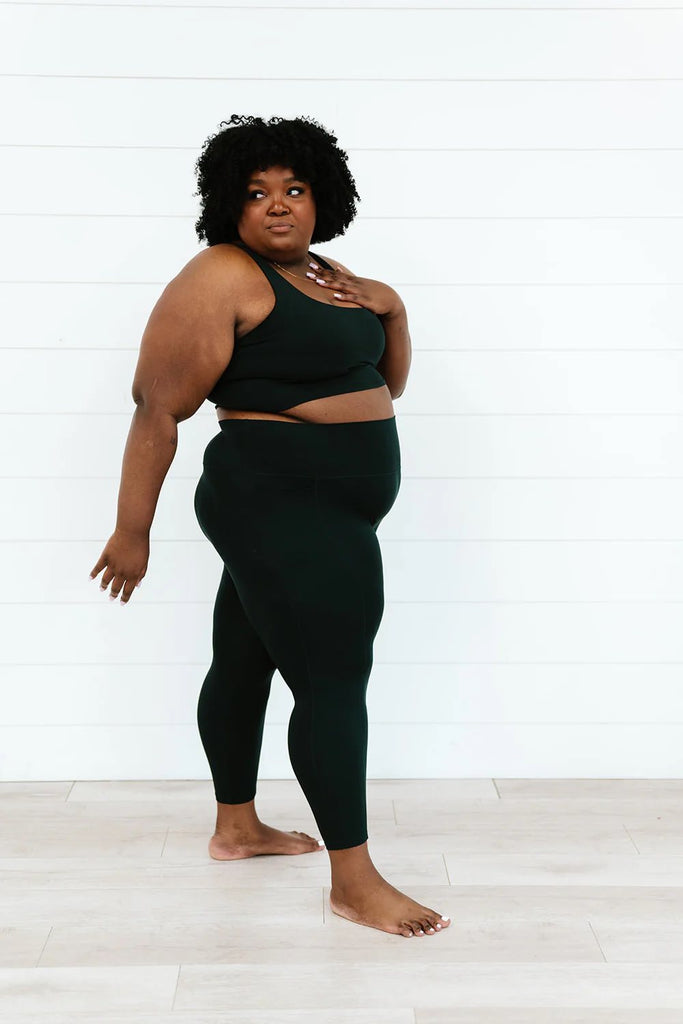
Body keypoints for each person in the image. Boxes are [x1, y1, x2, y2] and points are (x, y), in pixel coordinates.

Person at [89, 114, 451, 940]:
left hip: (327, 506)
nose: (278, 205)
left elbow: (384, 387)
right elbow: (157, 407)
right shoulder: (222, 273)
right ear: (229, 204)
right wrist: (131, 531)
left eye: (294, 188)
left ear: (324, 198)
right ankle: (354, 881)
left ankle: (236, 828)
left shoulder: (326, 273)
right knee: (333, 679)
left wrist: (393, 312)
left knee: (245, 656)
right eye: (256, 193)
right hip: (278, 501)